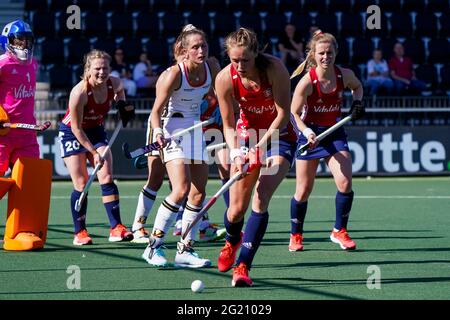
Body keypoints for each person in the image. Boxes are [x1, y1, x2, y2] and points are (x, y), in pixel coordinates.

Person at [215, 27, 297, 287]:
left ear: (257, 53)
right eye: (234, 60)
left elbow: (282, 115)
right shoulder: (224, 78)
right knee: (236, 209)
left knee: (261, 196)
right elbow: (227, 124)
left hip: (280, 136)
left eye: (245, 60)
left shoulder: (274, 69)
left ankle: (243, 266)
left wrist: (260, 146)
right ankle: (231, 240)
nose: (239, 65)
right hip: (246, 135)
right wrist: (238, 151)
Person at [141, 24, 220, 268]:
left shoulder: (212, 67)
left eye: (203, 45)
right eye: (195, 47)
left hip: (195, 128)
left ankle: (185, 249)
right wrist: (159, 133)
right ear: (184, 51)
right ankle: (153, 247)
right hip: (171, 130)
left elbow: (223, 94)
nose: (201, 50)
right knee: (181, 189)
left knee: (198, 192)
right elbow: (155, 112)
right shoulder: (173, 74)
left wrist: (221, 112)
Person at [289, 30, 365, 254]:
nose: (325, 56)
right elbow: (293, 114)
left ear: (336, 52)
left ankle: (339, 230)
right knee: (303, 190)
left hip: (334, 132)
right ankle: (295, 235)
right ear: (314, 53)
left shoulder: (344, 75)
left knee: (345, 183)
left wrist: (357, 104)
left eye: (329, 52)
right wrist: (307, 131)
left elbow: (357, 87)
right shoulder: (307, 82)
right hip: (310, 136)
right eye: (321, 53)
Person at [58, 49, 135, 246]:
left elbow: (120, 93)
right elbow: (75, 128)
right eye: (97, 68)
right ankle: (80, 232)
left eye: (105, 68)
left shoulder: (115, 83)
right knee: (82, 183)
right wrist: (93, 153)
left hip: (96, 130)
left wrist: (122, 105)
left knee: (107, 176)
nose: (102, 72)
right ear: (88, 70)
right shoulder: (80, 92)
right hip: (72, 132)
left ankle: (116, 228)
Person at [0, 20, 39, 177]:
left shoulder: (33, 64)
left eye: (27, 40)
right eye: (19, 40)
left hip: (27, 133)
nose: (24, 44)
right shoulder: (2, 64)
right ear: (7, 41)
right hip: (3, 133)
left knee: (28, 179)